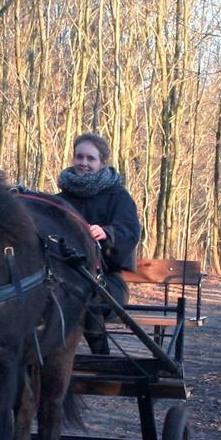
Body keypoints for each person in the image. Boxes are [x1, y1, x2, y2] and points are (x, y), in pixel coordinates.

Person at [56, 132, 141, 354]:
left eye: (90, 158)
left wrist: (107, 232)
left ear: (102, 163)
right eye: (79, 157)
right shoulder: (60, 199)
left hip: (108, 282)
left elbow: (130, 230)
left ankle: (101, 357)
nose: (83, 163)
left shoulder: (118, 197)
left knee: (87, 294)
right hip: (62, 280)